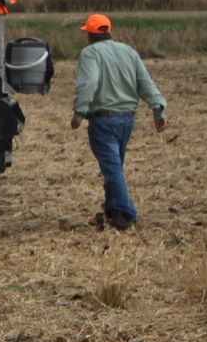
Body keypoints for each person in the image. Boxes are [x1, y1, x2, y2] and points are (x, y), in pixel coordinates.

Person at [70, 14, 168, 231]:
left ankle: (125, 213)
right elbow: (145, 83)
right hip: (127, 120)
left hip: (103, 120)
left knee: (112, 169)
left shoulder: (90, 54)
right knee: (114, 167)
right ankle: (113, 210)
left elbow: (89, 83)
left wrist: (79, 113)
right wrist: (158, 108)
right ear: (109, 32)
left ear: (89, 35)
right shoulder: (128, 51)